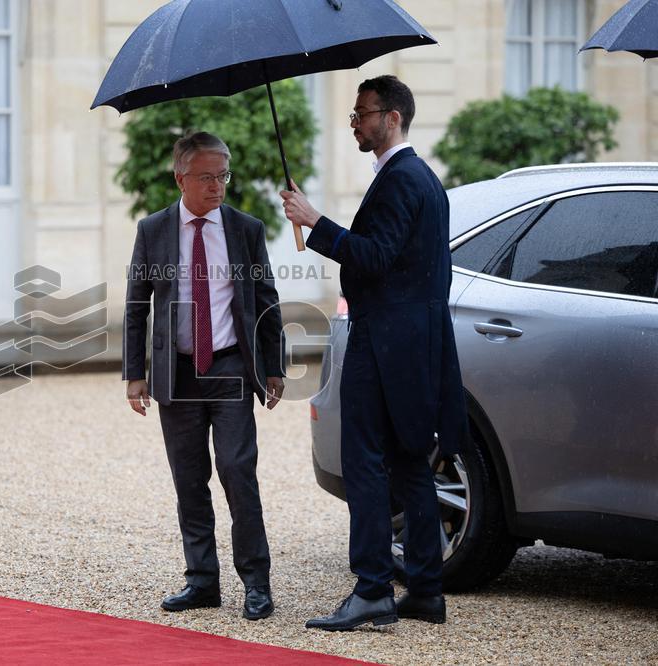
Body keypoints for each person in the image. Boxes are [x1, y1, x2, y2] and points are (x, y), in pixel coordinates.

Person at [280, 75, 467, 630]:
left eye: (363, 113)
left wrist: (315, 223)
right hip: (413, 344)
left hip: (383, 342)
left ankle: (371, 590)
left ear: (393, 117)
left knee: (363, 462)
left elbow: (375, 257)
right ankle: (427, 590)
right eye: (354, 115)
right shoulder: (422, 179)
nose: (355, 123)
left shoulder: (401, 179)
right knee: (410, 460)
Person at [123, 131, 286, 621]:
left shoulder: (245, 229)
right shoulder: (153, 230)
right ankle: (202, 581)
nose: (217, 186)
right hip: (177, 373)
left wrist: (274, 366)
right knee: (190, 480)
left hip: (233, 366)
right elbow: (135, 307)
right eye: (207, 177)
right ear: (181, 177)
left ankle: (257, 584)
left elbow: (266, 301)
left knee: (239, 474)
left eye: (223, 176)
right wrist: (135, 375)